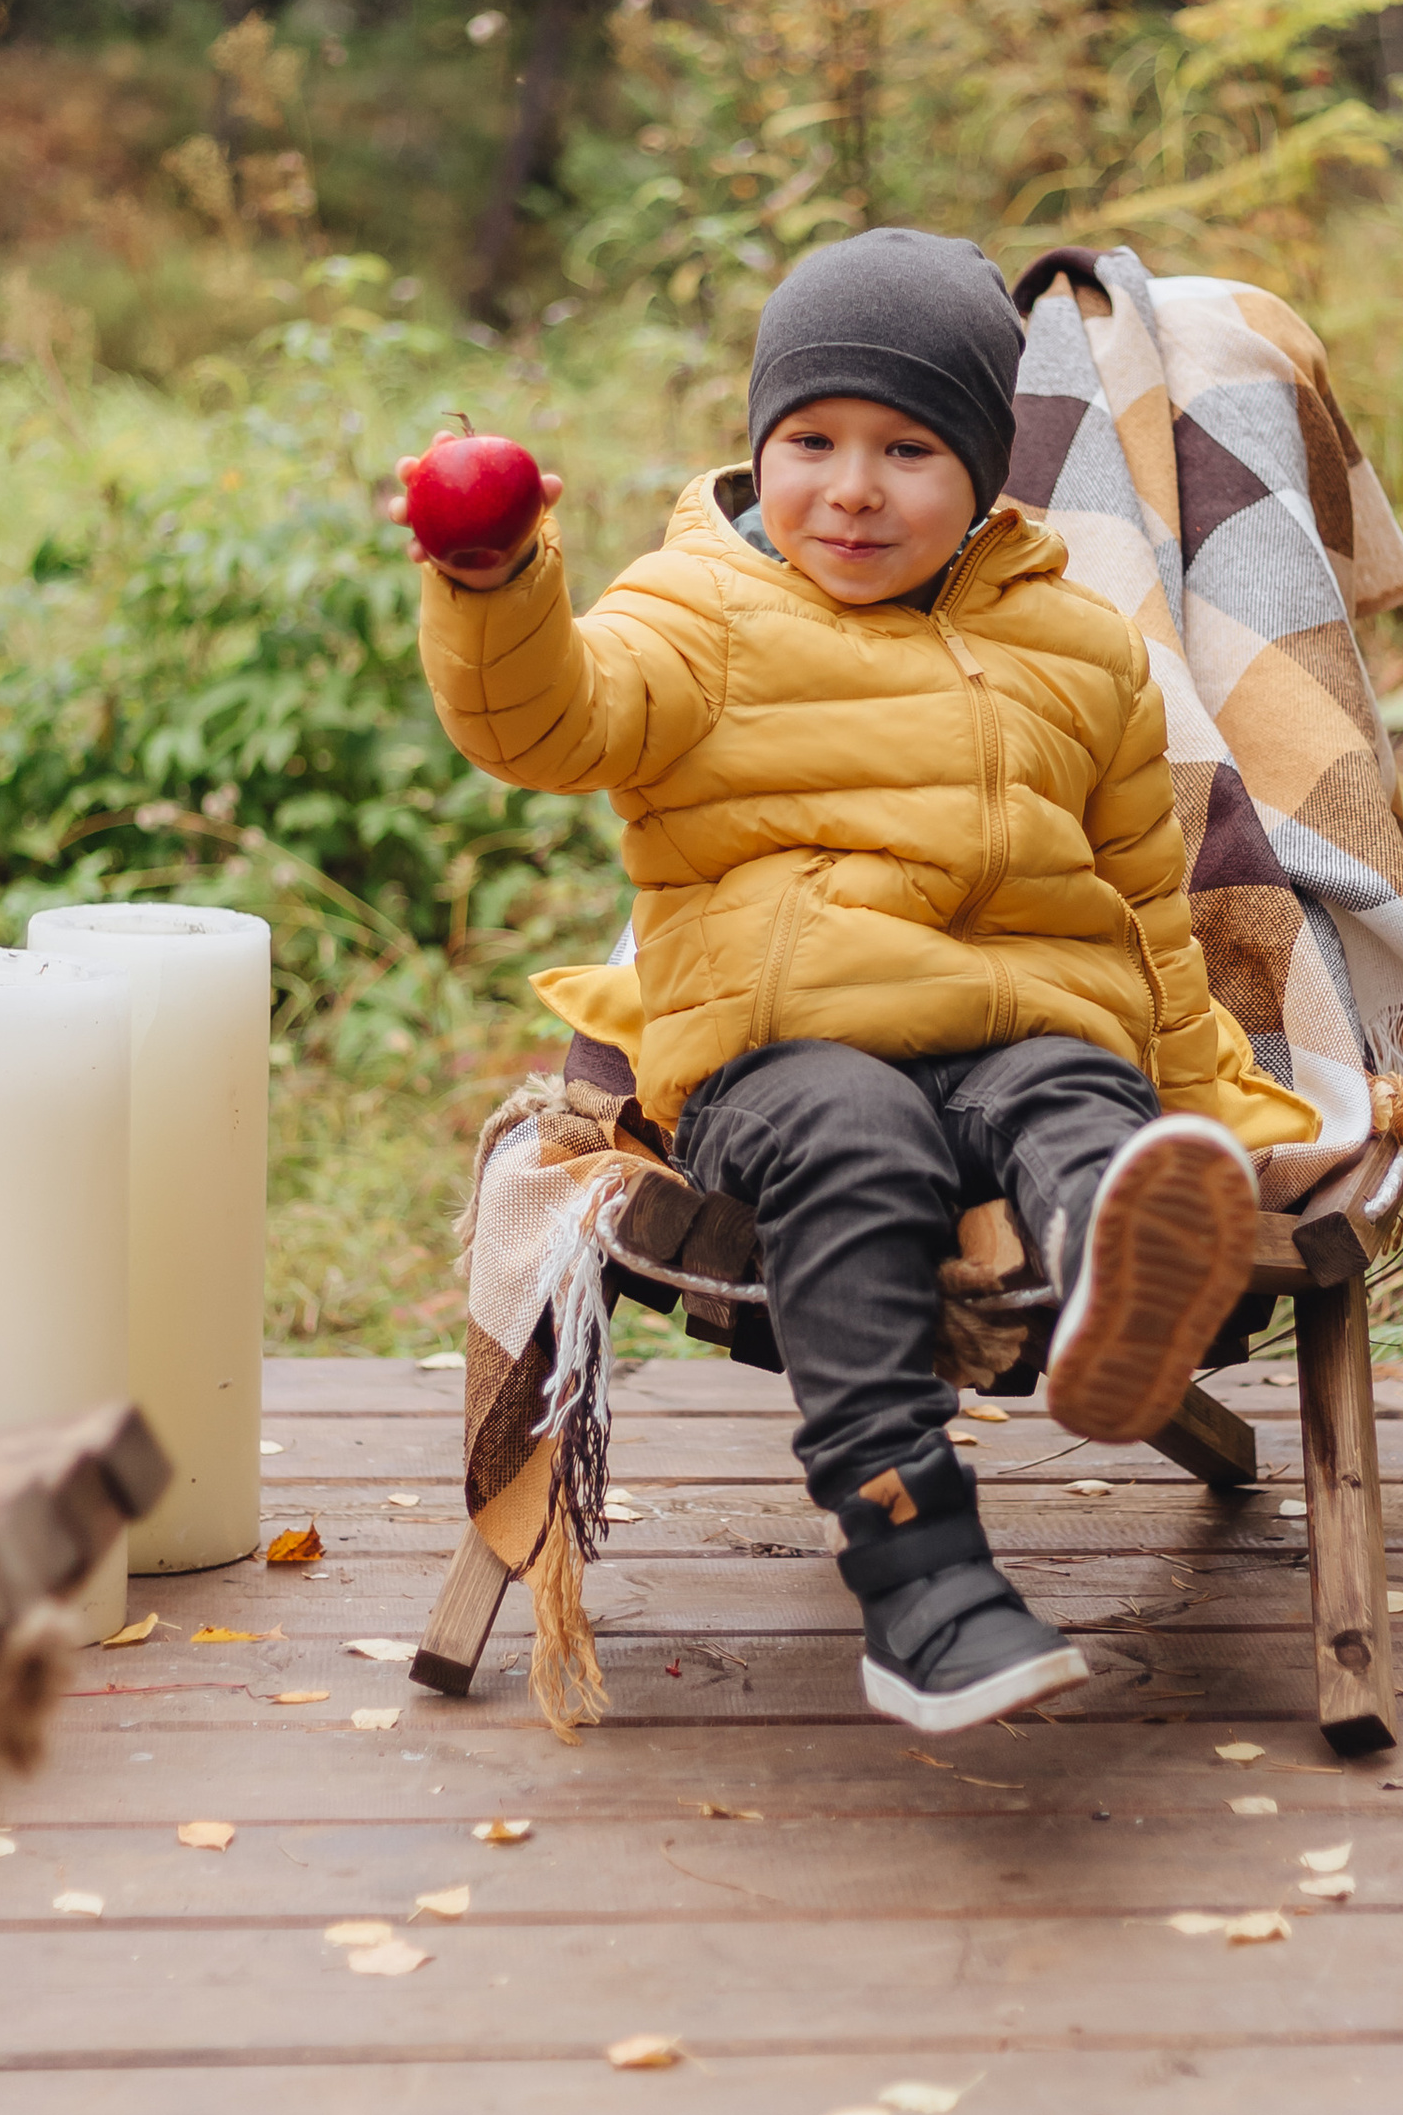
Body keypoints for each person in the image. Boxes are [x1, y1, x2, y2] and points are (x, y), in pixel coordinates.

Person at [402, 227, 1265, 1733]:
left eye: (908, 448)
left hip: (1022, 1017)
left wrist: (1198, 1102)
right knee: (863, 1152)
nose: (852, 488)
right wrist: (495, 583)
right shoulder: (698, 614)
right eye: (809, 440)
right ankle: (920, 1575)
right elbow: (549, 724)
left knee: (1084, 1101)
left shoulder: (1082, 649)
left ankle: (1114, 1299)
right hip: (784, 1041)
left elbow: (1142, 900)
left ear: (989, 470)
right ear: (760, 444)